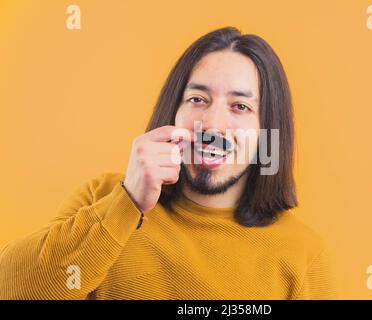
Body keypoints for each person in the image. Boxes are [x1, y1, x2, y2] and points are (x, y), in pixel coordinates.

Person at [0, 26, 337, 299]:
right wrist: (127, 202)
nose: (213, 124)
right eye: (197, 99)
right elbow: (12, 289)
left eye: (240, 107)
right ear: (173, 112)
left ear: (267, 131)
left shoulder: (303, 255)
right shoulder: (103, 196)